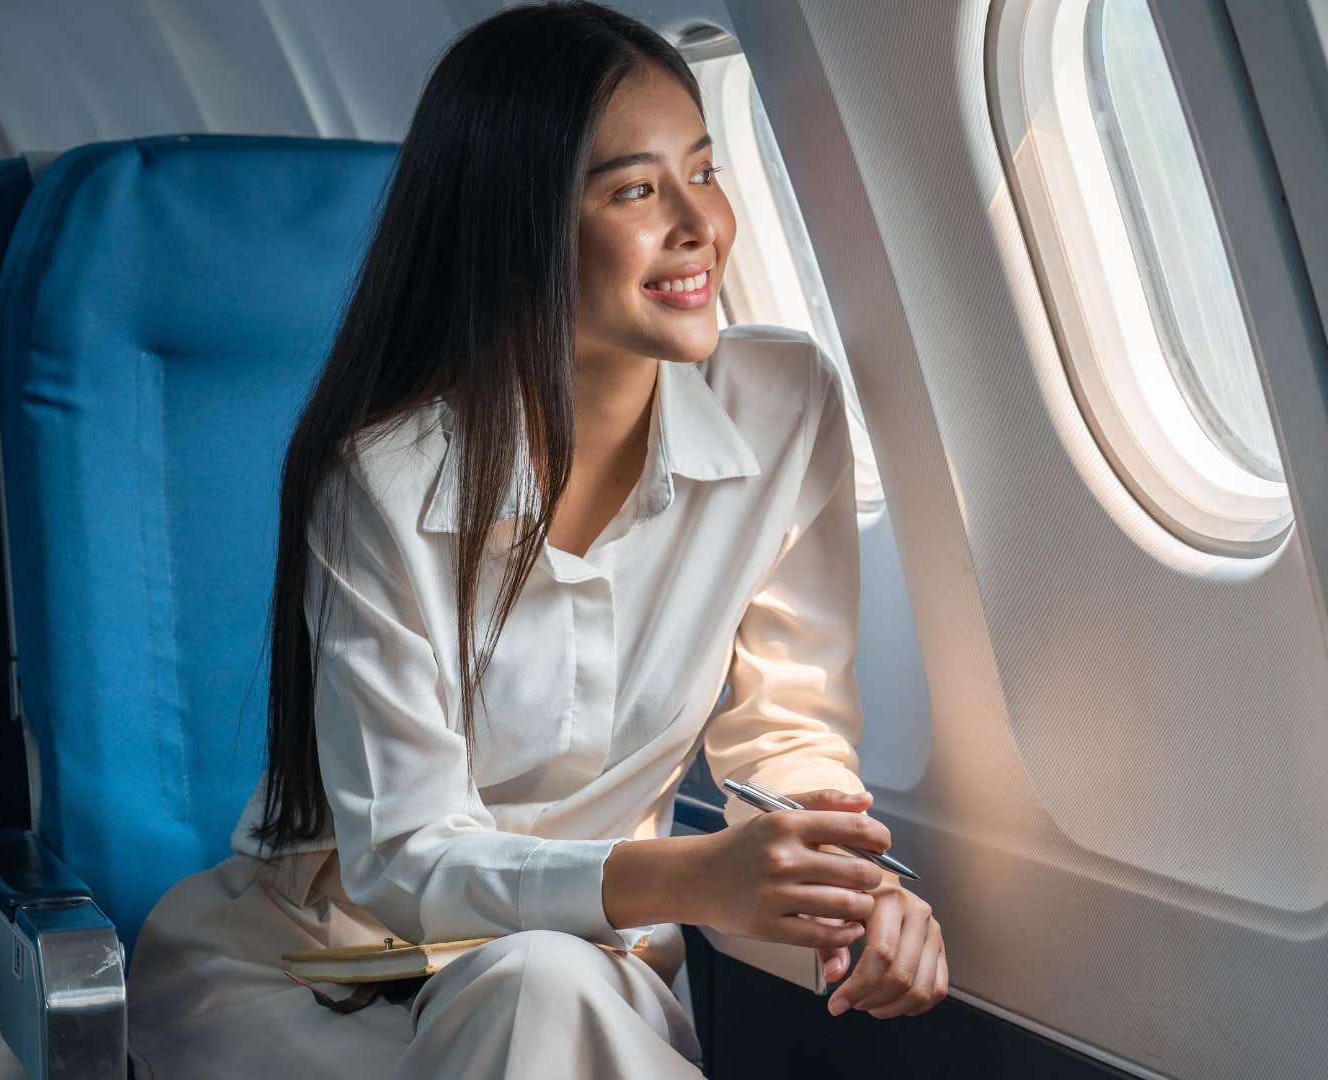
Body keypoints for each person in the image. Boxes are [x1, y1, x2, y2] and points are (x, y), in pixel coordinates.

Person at [123, 3, 947, 1075]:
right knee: (540, 989)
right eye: (637, 191)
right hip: (326, 976)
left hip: (583, 966)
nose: (700, 223)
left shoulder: (785, 407)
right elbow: (404, 856)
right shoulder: (380, 484)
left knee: (546, 985)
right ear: (521, 228)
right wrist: (690, 880)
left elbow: (787, 730)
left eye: (703, 169)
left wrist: (853, 891)